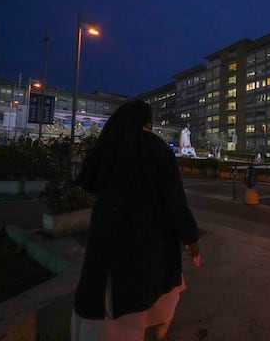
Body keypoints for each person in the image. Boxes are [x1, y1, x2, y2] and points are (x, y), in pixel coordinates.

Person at [70, 99, 200, 341]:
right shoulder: (158, 150)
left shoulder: (109, 146)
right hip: (146, 241)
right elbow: (175, 201)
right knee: (145, 296)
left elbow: (91, 182)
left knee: (108, 303)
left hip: (107, 238)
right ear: (147, 122)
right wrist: (190, 237)